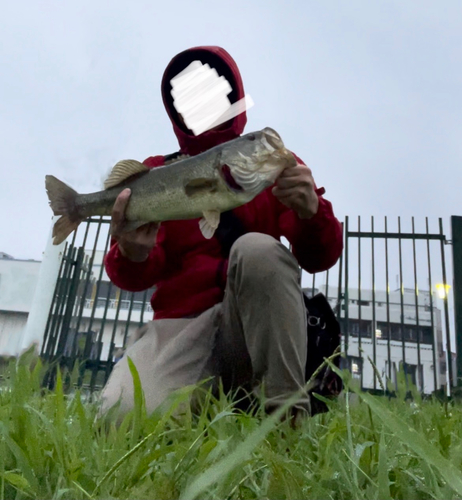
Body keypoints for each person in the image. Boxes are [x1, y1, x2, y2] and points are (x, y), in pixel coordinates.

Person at [100, 46, 343, 421]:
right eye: (187, 93)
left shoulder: (274, 165)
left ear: (234, 95)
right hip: (181, 327)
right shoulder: (152, 173)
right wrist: (132, 252)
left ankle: (285, 426)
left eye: (213, 90)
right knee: (123, 420)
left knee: (258, 250)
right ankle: (212, 401)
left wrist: (312, 213)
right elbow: (135, 275)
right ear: (175, 108)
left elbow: (321, 256)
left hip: (254, 325)